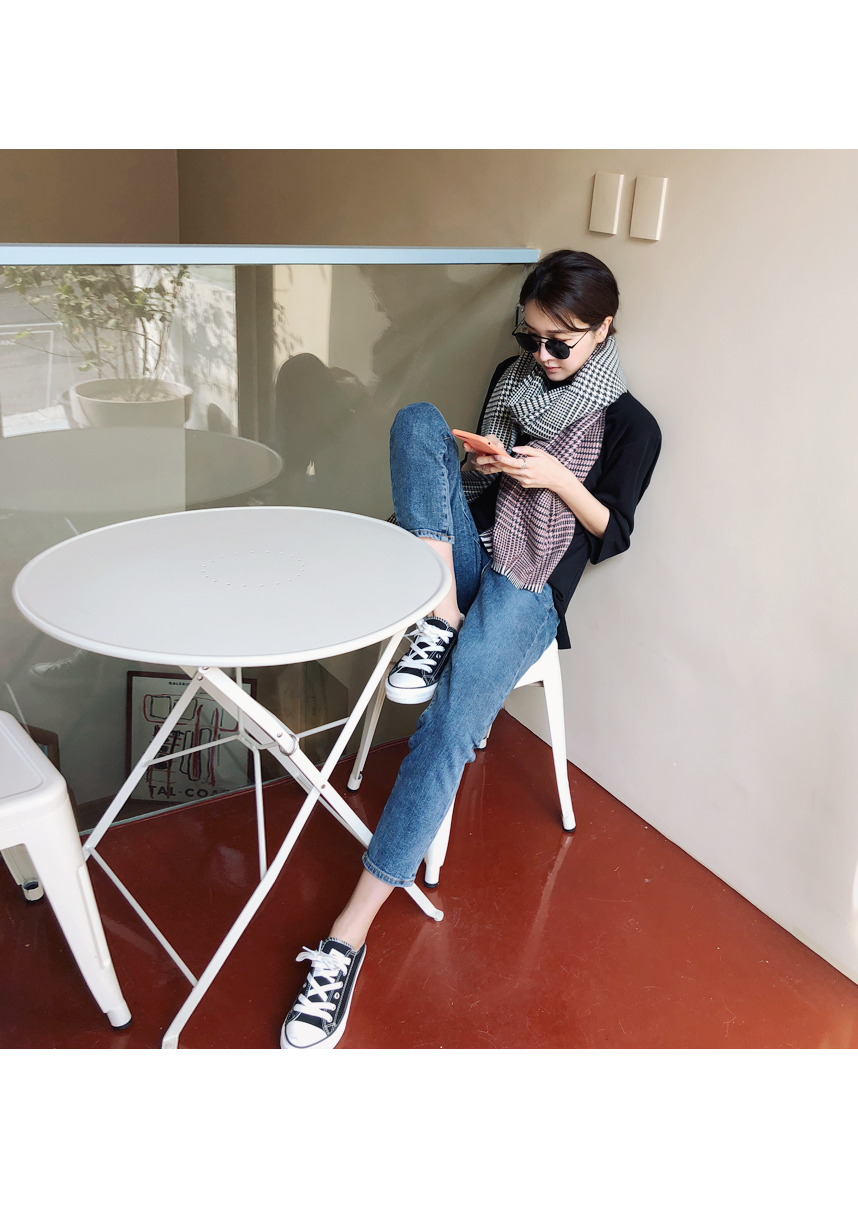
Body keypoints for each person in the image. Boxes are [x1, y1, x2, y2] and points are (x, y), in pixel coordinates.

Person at [279, 249, 662, 1051]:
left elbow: (612, 533)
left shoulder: (632, 424)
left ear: (602, 330)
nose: (540, 355)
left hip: (530, 587)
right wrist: (482, 465)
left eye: (559, 342)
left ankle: (346, 938)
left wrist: (554, 478)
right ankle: (441, 616)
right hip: (468, 556)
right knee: (418, 419)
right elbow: (473, 494)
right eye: (530, 338)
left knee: (451, 724)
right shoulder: (508, 379)